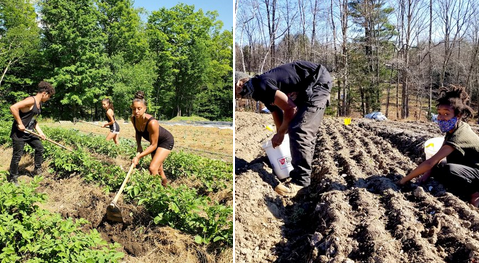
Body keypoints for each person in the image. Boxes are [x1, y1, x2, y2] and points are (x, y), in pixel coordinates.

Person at [235, 61, 332, 196]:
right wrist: (279, 134)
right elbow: (276, 113)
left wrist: (281, 134)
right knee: (297, 128)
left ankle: (301, 182)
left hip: (316, 82)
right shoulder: (259, 90)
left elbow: (291, 108)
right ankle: (304, 171)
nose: (238, 98)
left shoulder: (261, 85)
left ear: (239, 84)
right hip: (307, 84)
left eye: (236, 94)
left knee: (300, 129)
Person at [398, 85, 479, 207]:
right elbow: (437, 159)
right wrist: (426, 174)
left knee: (448, 169)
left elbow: (430, 162)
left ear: (458, 115)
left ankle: (475, 194)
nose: (441, 118)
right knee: (440, 167)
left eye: (446, 114)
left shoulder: (460, 135)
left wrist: (403, 180)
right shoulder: (454, 129)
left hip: (477, 172)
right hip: (468, 169)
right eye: (439, 113)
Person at [8, 81, 55, 184]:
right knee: (17, 156)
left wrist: (41, 132)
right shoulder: (31, 100)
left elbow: (33, 120)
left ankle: (37, 170)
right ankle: (12, 177)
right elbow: (13, 107)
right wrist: (20, 123)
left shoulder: (39, 104)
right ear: (44, 93)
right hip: (19, 133)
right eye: (49, 96)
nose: (48, 99)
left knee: (39, 148)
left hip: (29, 132)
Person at [130, 91, 174, 187]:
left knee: (153, 168)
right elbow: (138, 132)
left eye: (139, 108)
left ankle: (156, 192)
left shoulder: (152, 122)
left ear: (145, 109)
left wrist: (138, 157)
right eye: (134, 109)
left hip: (165, 141)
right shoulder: (133, 118)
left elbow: (154, 145)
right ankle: (166, 188)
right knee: (159, 168)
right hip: (154, 142)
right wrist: (139, 146)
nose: (136, 111)